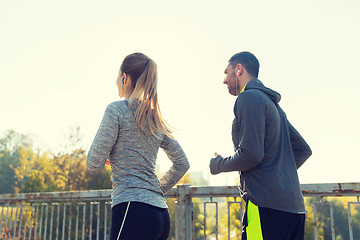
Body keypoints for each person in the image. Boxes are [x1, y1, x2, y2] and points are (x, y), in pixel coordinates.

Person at [87, 52, 190, 240]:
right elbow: (182, 163)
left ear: (124, 77)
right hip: (160, 214)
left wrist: (109, 150)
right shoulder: (155, 118)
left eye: (118, 75)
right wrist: (155, 190)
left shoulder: (116, 110)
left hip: (131, 211)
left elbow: (93, 164)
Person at [209, 51, 312, 240]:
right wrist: (275, 175)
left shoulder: (248, 98)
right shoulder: (274, 106)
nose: (224, 80)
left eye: (226, 72)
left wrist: (217, 164)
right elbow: (303, 150)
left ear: (238, 69)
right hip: (294, 210)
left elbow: (251, 154)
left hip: (266, 208)